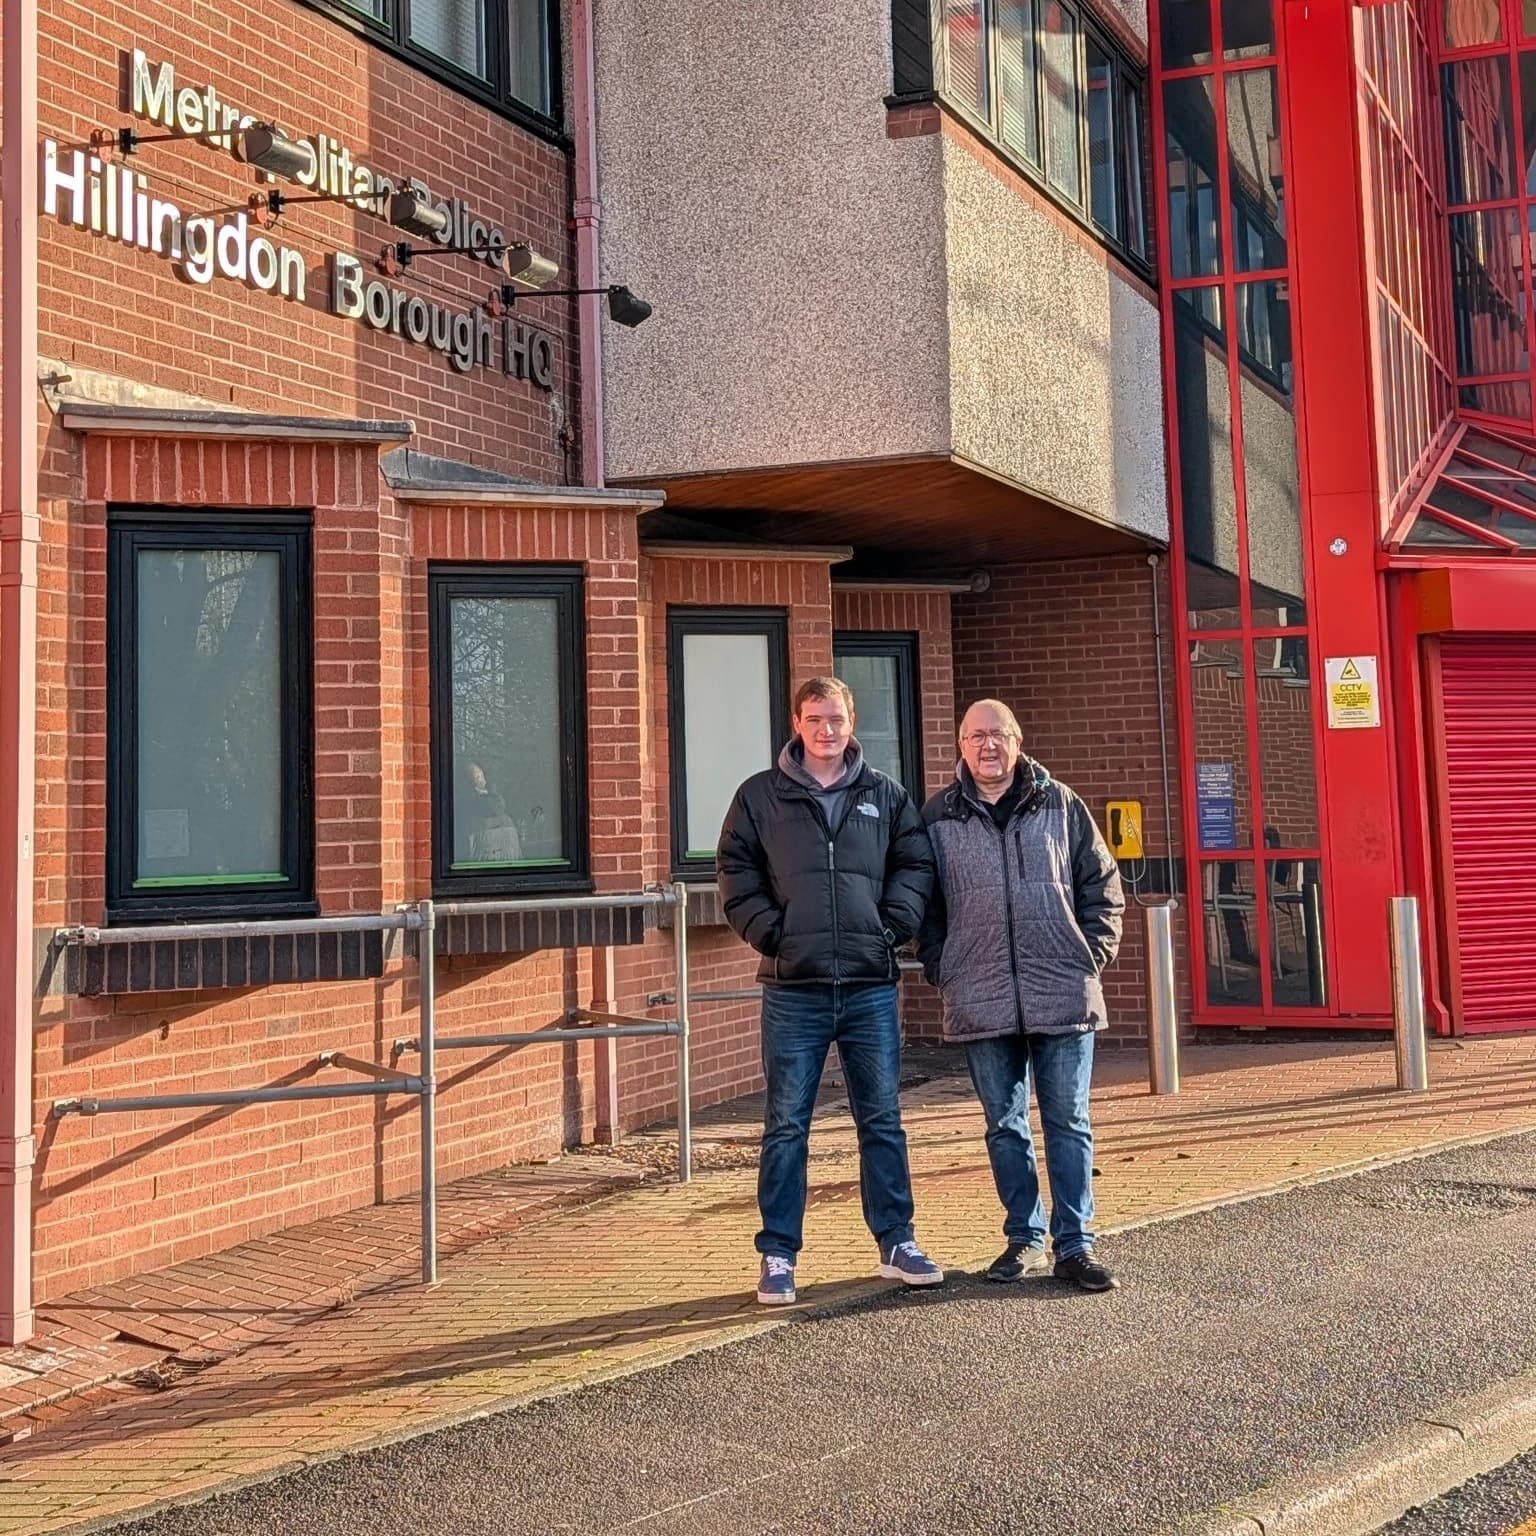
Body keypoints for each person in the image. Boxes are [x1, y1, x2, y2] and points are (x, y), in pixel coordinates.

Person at [717, 676, 941, 1305]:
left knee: (883, 1120)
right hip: (795, 987)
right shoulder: (761, 797)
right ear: (796, 722)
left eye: (836, 719)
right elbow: (735, 870)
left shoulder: (885, 795)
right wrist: (773, 934)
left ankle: (897, 1242)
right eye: (815, 719)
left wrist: (890, 928)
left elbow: (915, 864)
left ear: (852, 722)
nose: (826, 731)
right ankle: (778, 1254)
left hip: (870, 985)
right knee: (786, 1124)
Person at [916, 699, 1125, 1292]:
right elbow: (923, 906)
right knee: (1004, 1123)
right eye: (976, 736)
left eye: (998, 735)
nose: (988, 746)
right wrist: (943, 966)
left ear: (1017, 740)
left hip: (1062, 987)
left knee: (1068, 1120)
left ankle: (1075, 1244)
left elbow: (1101, 885)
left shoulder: (1061, 803)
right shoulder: (938, 817)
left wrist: (1091, 952)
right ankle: (1023, 1238)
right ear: (960, 745)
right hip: (979, 992)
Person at [457, 758, 522, 863]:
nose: (482, 780)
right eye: (478, 777)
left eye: (481, 776)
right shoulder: (507, 818)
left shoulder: (466, 816)